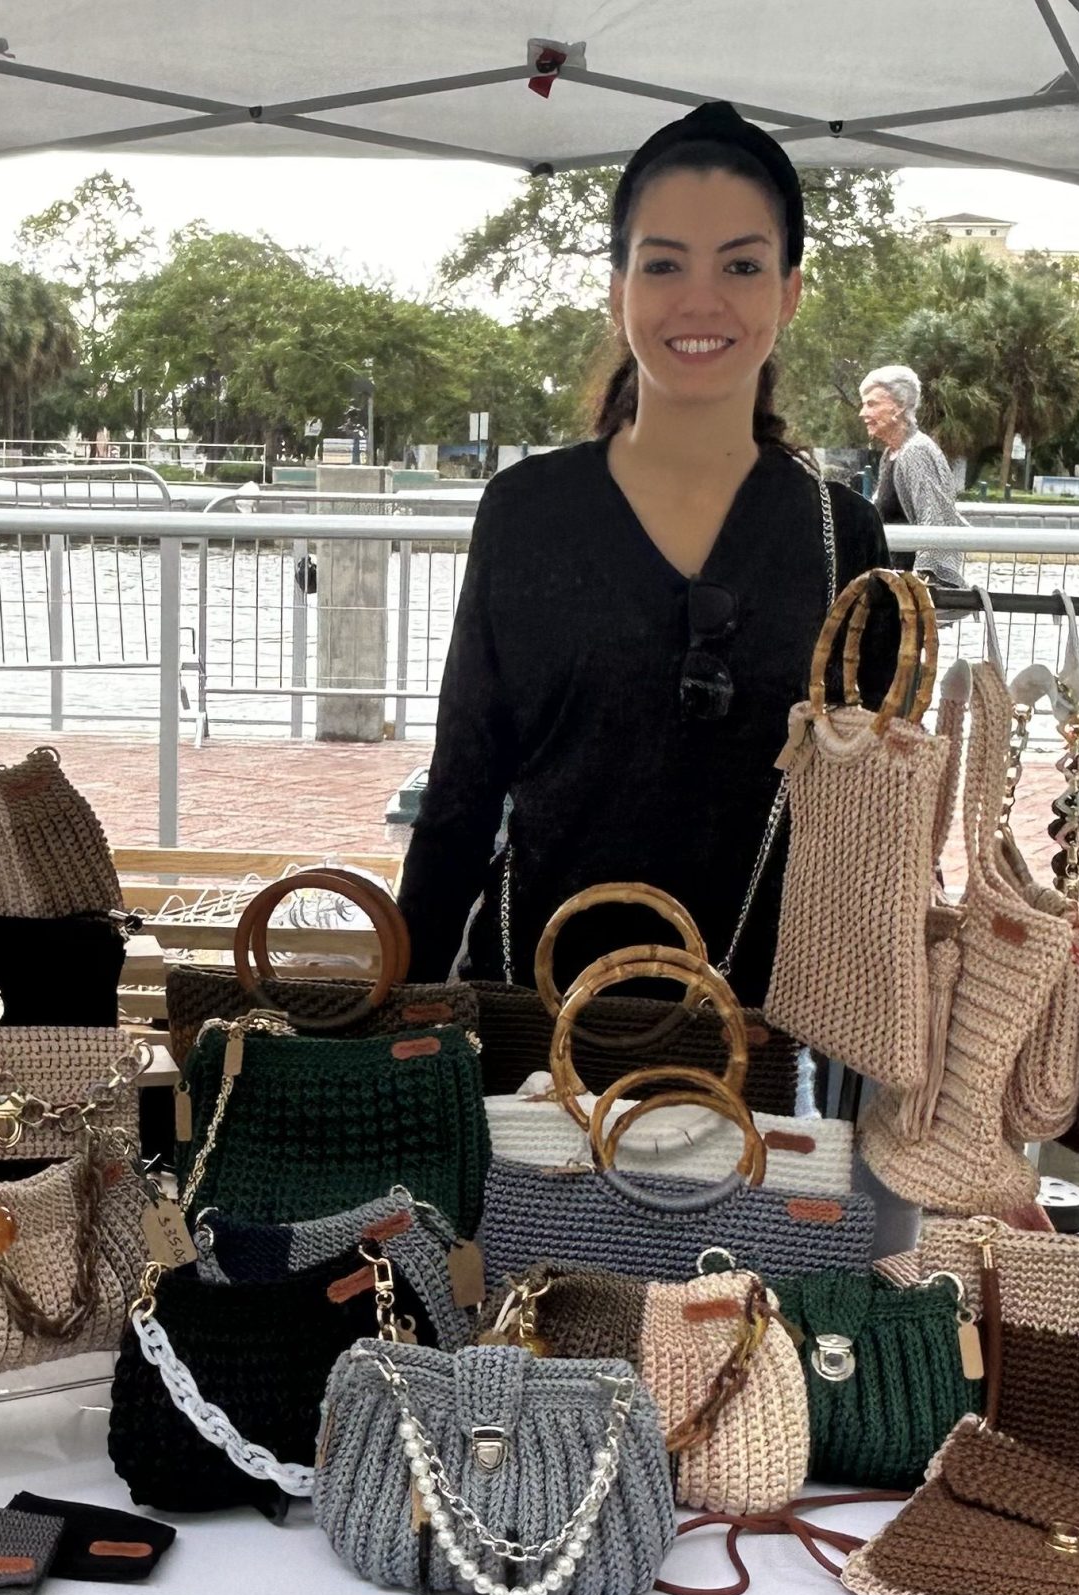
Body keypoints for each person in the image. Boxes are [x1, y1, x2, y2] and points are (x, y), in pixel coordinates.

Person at [396, 102, 891, 999]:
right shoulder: (526, 512)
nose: (701, 300)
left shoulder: (841, 535)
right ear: (617, 285)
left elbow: (861, 829)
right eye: (664, 263)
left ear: (788, 291)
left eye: (741, 264)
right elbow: (461, 796)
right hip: (531, 1032)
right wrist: (401, 997)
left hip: (759, 1042)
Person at [859, 365, 966, 586]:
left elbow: (935, 517)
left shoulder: (916, 451)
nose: (863, 413)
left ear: (898, 407)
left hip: (913, 591)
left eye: (872, 404)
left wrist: (923, 580)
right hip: (894, 584)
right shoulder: (892, 452)